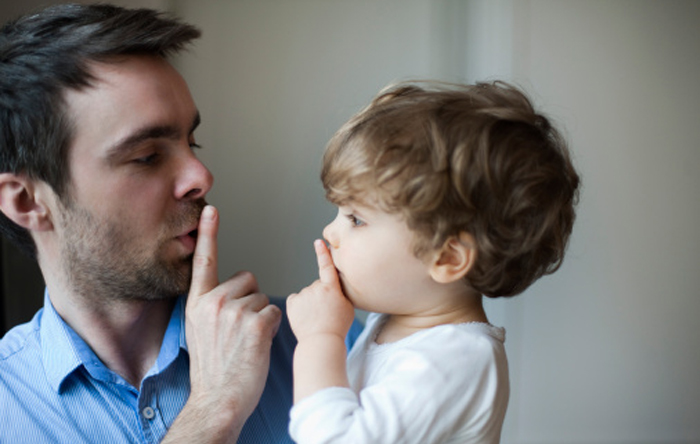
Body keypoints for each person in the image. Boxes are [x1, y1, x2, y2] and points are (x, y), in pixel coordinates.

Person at [0, 4, 303, 443]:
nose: (201, 176)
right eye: (147, 157)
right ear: (27, 201)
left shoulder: (327, 343)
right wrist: (212, 411)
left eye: (192, 142)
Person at [286, 81, 581, 443]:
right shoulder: (395, 320)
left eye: (356, 219)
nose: (330, 233)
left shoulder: (456, 361)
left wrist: (319, 337)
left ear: (447, 257)